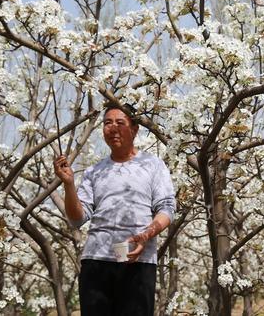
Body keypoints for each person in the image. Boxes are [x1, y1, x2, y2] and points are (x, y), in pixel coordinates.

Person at [54, 103, 176, 316]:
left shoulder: (152, 165)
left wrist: (145, 235)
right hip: (96, 259)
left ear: (135, 129)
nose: (112, 128)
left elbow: (166, 208)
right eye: (107, 123)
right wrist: (69, 184)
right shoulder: (95, 171)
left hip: (136, 259)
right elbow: (77, 219)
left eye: (120, 122)